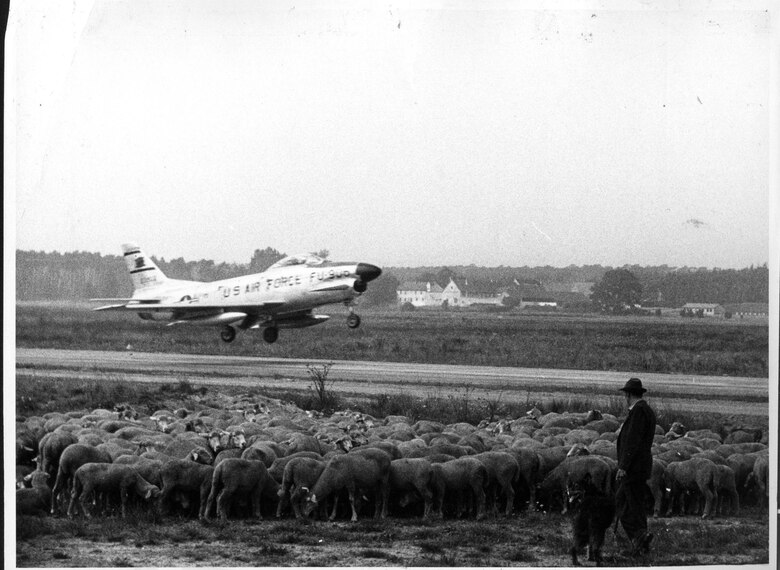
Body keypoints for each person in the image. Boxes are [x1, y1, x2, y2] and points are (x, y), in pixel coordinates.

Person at [615, 377, 657, 556]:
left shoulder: (638, 411)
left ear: (629, 395)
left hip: (633, 468)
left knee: (624, 505)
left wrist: (623, 466)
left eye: (626, 395)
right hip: (641, 466)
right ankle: (641, 542)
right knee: (635, 504)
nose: (625, 398)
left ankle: (639, 538)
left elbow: (632, 441)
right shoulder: (647, 410)